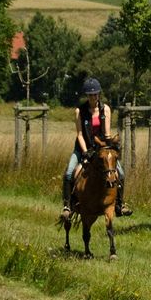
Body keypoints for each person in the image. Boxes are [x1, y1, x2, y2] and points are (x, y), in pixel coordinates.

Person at [60, 77, 132, 219]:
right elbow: (80, 134)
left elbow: (106, 133)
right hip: (82, 148)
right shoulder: (79, 111)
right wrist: (85, 152)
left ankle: (119, 205)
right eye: (90, 95)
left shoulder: (106, 109)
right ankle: (67, 206)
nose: (93, 97)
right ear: (87, 96)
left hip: (101, 148)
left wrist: (110, 146)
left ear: (99, 94)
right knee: (68, 173)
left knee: (121, 173)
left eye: (95, 94)